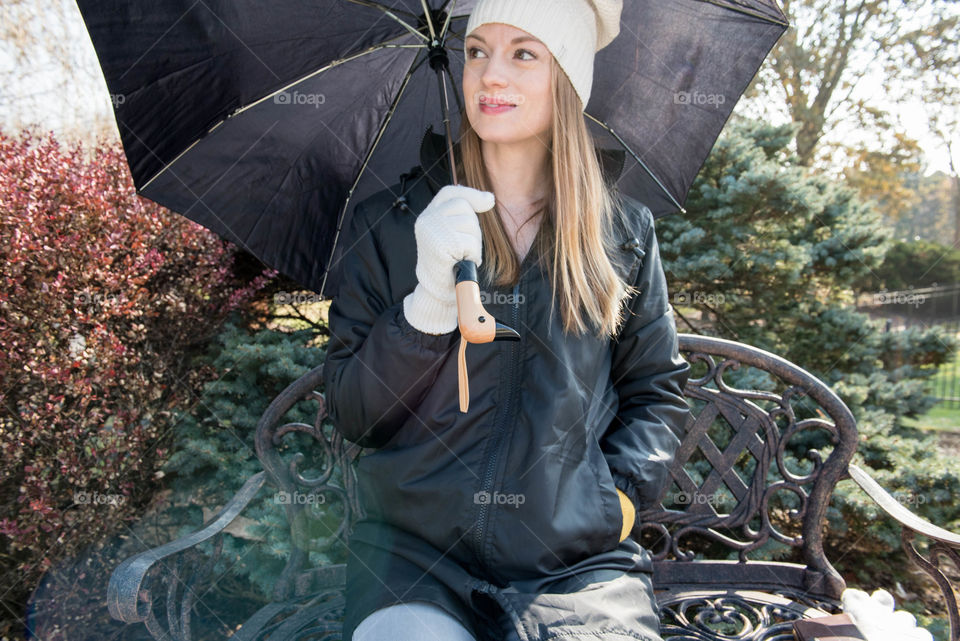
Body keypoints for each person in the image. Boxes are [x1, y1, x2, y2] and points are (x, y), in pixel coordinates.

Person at [322, 1, 692, 639]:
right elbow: (356, 414)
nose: (490, 75)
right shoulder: (389, 224)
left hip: (577, 565)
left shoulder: (623, 233)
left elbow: (656, 391)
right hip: (412, 558)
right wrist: (428, 305)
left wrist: (617, 503)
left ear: (568, 77)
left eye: (524, 52)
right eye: (476, 51)